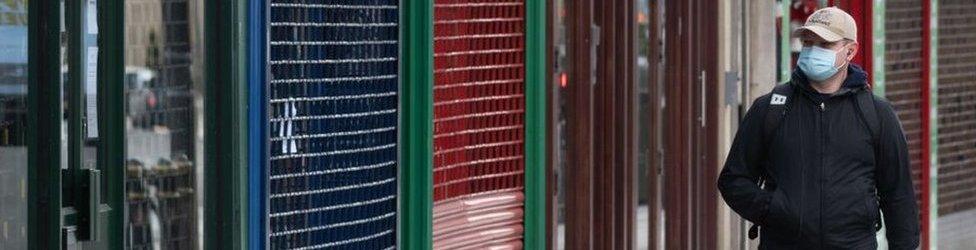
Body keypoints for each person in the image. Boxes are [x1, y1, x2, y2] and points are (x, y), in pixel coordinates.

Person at [717, 7, 920, 249]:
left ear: (850, 51)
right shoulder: (770, 108)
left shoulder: (877, 114)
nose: (813, 51)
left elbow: (898, 196)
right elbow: (733, 180)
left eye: (825, 44)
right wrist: (774, 210)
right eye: (808, 43)